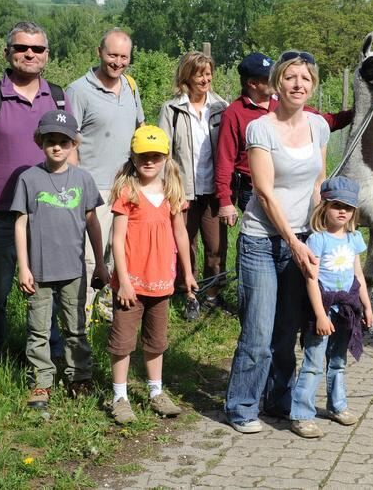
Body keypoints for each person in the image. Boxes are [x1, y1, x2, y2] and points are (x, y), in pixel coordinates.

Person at [225, 51, 330, 435]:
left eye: (305, 78)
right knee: (258, 331)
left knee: (287, 331)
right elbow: (265, 194)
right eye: (290, 78)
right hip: (261, 241)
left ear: (312, 85)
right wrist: (294, 241)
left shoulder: (319, 126)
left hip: (303, 238)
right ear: (277, 85)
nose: (298, 84)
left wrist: (321, 234)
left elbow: (319, 183)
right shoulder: (260, 129)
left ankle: (279, 399)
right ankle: (241, 406)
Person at [0, 21, 70, 388]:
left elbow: (71, 152)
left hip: (49, 211)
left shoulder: (57, 97)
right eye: (22, 48)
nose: (30, 54)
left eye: (37, 49)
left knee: (51, 289)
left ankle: (50, 358)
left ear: (47, 56)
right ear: (8, 52)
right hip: (1, 211)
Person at [12, 110, 106, 408]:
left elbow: (92, 222)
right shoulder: (28, 179)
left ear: (73, 144)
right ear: (40, 141)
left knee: (76, 326)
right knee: (38, 330)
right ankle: (42, 382)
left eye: (63, 142)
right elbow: (20, 223)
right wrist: (24, 267)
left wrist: (101, 263)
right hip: (38, 270)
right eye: (50, 140)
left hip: (73, 270)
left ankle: (80, 377)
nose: (57, 147)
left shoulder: (82, 179)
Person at [107, 126, 196, 424]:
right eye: (144, 156)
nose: (149, 162)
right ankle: (119, 396)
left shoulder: (172, 193)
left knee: (156, 341)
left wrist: (188, 272)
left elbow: (180, 234)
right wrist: (124, 281)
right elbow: (117, 239)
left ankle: (156, 392)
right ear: (133, 157)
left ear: (165, 158)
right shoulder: (127, 192)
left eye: (156, 156)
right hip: (130, 284)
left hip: (162, 282)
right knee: (122, 343)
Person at [214, 52, 354, 227]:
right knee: (269, 227)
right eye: (268, 78)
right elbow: (224, 160)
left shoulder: (284, 103)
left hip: (290, 183)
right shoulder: (234, 113)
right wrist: (225, 200)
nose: (274, 81)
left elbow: (325, 122)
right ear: (252, 83)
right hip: (253, 187)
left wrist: (357, 112)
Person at [67, 28, 145, 319]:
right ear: (99, 52)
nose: (117, 62)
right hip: (93, 189)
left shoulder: (130, 86)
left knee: (118, 253)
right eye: (112, 55)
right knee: (90, 258)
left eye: (124, 57)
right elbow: (69, 140)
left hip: (126, 186)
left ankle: (105, 307)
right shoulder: (78, 90)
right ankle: (80, 321)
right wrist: (75, 185)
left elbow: (140, 128)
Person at [289, 176, 373, 439]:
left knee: (338, 361)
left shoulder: (353, 238)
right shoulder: (318, 240)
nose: (342, 211)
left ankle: (337, 405)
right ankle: (301, 415)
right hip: (324, 308)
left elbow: (358, 275)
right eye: (336, 205)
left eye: (347, 207)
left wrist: (367, 307)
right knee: (314, 362)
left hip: (347, 308)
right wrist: (319, 316)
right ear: (324, 206)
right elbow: (311, 280)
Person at [158, 52, 229, 305]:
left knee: (215, 247)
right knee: (184, 246)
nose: (205, 79)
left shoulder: (221, 108)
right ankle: (187, 294)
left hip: (213, 189)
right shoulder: (172, 109)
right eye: (200, 74)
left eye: (208, 73)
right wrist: (172, 189)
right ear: (187, 75)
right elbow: (164, 154)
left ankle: (211, 294)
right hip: (183, 190)